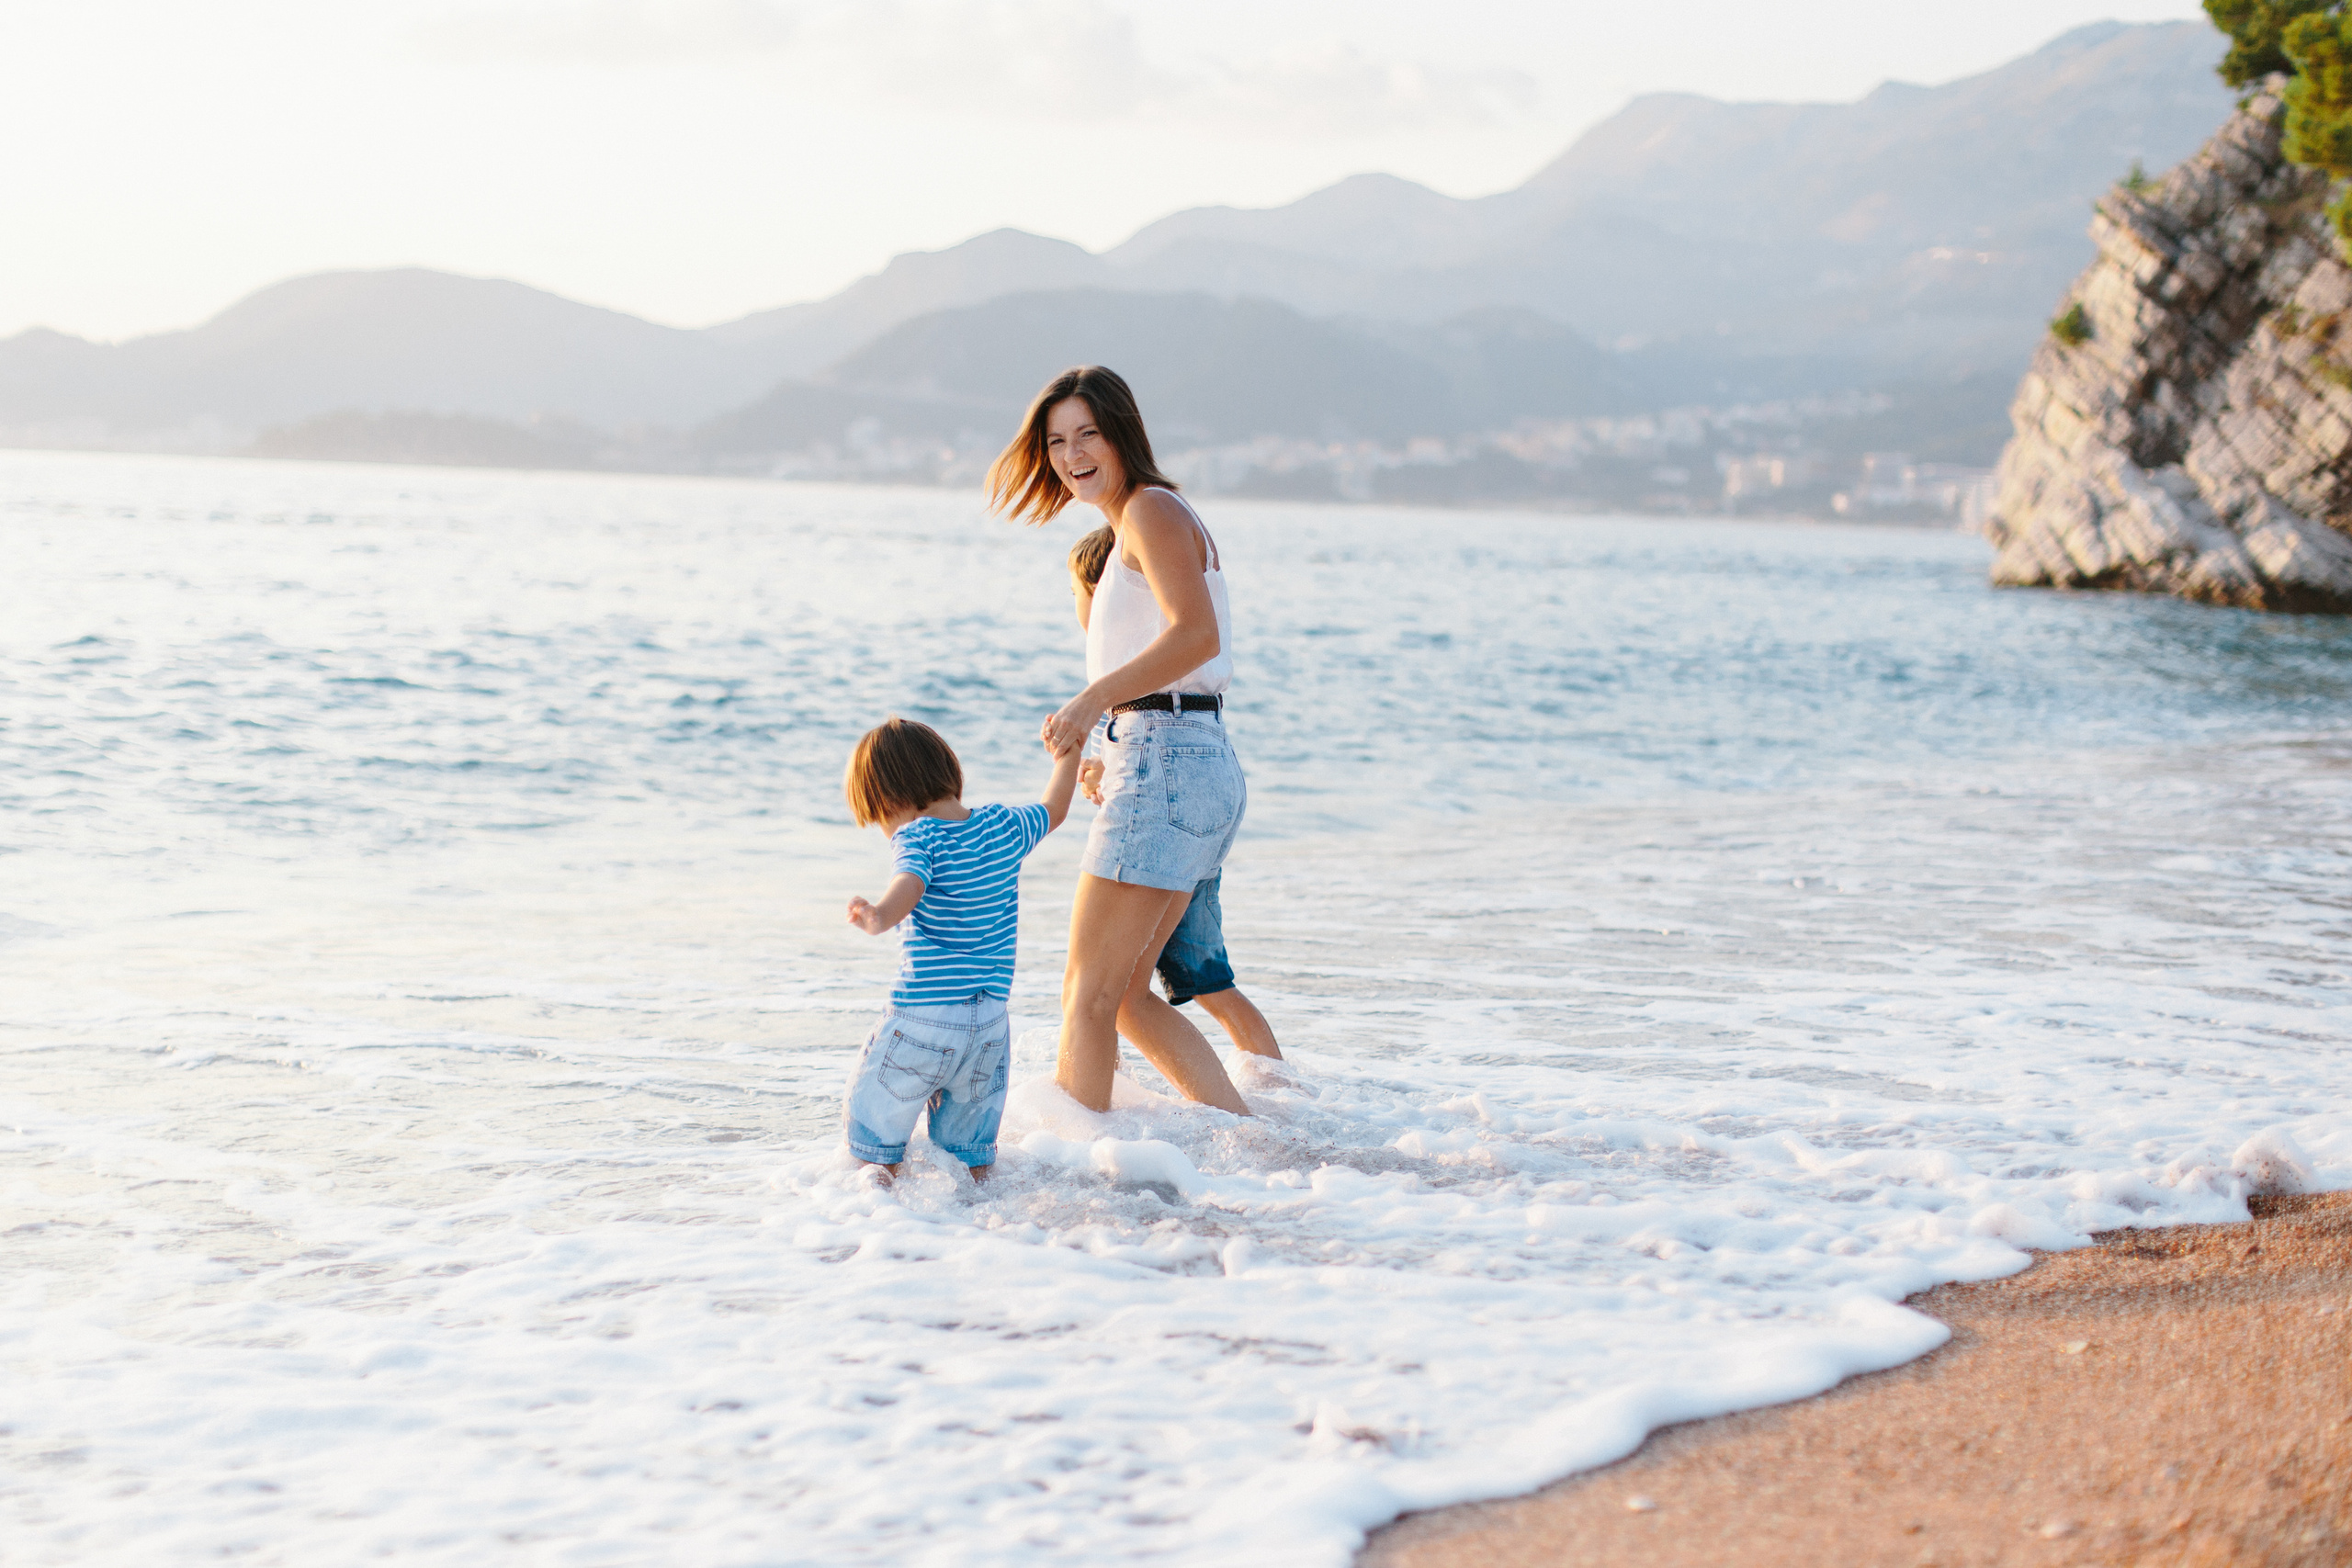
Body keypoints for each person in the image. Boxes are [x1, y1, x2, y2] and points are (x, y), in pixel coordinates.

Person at [988, 365, 1252, 1117]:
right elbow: (1178, 659)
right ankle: (1252, 1143)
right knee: (1128, 996)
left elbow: (1195, 635)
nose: (1072, 455)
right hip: (1183, 757)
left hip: (1171, 760)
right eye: (1057, 441)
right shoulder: (1132, 526)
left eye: (1088, 435)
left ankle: (1080, 1180)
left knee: (1088, 994)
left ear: (1122, 433)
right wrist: (1112, 744)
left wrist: (1093, 700)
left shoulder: (1151, 511)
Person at [1066, 526, 1283, 1064]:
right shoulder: (1150, 668)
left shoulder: (1125, 663)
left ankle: (1097, 1122)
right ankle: (1281, 1103)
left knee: (1106, 993)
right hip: (1208, 784)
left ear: (1103, 590)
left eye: (1074, 593)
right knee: (1202, 980)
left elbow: (1144, 753)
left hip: (1166, 802)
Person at [840, 716, 1081, 1181]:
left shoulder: (918, 836)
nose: (886, 831)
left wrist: (878, 916)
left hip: (923, 1019)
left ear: (891, 799)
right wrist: (1068, 754)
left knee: (874, 1152)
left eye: (880, 820)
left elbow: (908, 884)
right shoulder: (1002, 825)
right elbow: (1055, 808)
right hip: (989, 1023)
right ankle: (978, 1234)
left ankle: (876, 1230)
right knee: (970, 1160)